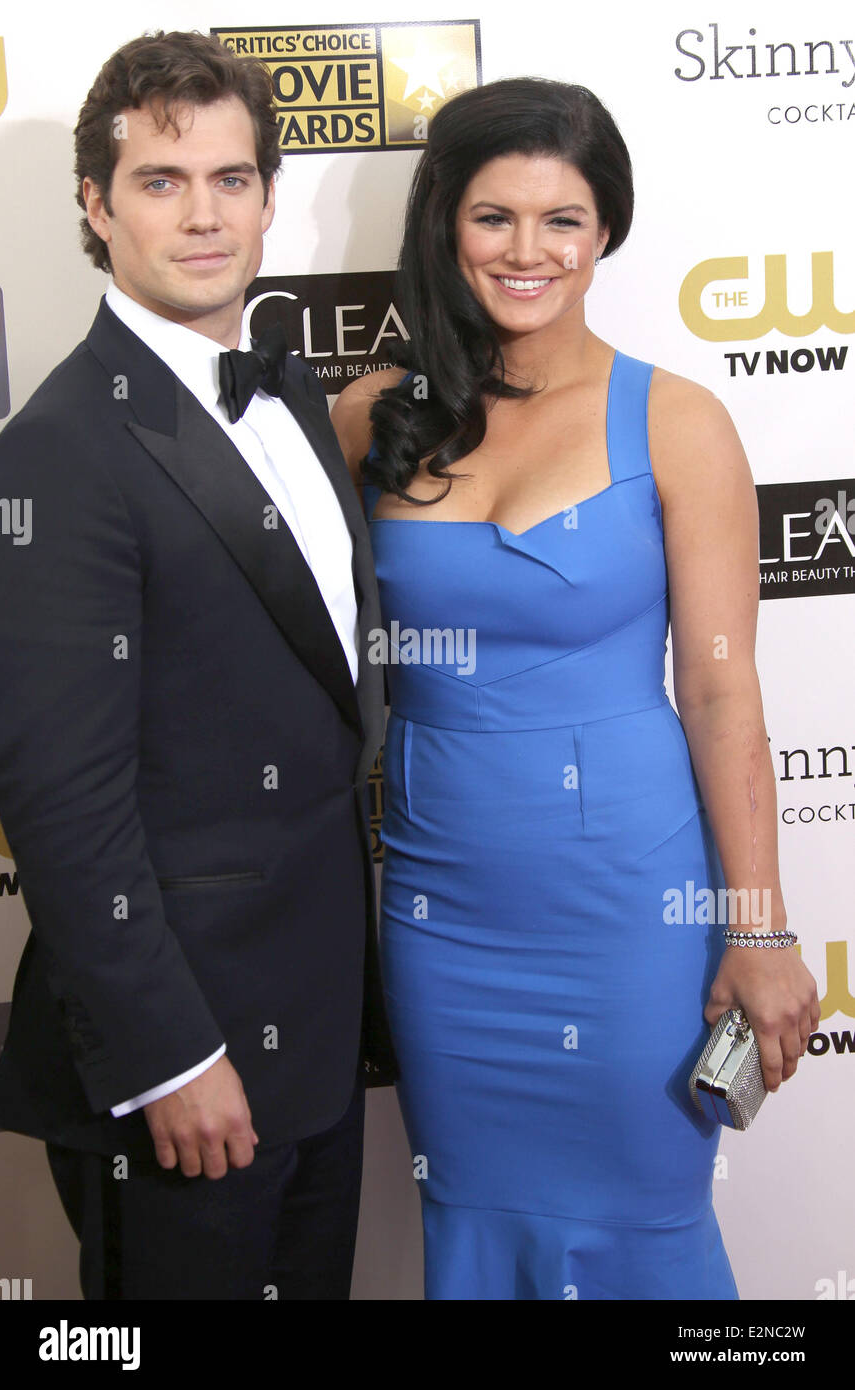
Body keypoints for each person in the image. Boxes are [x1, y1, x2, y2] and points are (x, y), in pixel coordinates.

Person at [331, 76, 819, 1301]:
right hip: (444, 911)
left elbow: (720, 698)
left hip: (625, 913)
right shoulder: (367, 420)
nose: (528, 250)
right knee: (473, 1214)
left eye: (562, 218)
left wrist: (755, 925)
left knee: (645, 1221)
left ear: (605, 230)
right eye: (494, 216)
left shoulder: (676, 421)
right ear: (443, 221)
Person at [0, 30, 396, 1300]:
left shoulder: (294, 399)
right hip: (183, 1063)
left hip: (317, 1036)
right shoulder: (60, 450)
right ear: (94, 208)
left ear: (271, 197)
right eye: (162, 181)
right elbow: (59, 800)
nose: (204, 214)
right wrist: (168, 1057)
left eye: (231, 179)